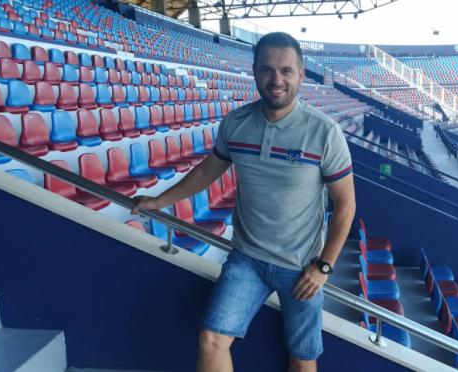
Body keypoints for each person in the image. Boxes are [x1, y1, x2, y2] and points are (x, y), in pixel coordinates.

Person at [131, 32, 356, 372]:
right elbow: (208, 171)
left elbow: (345, 205)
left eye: (286, 70)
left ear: (301, 73)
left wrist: (323, 266)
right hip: (247, 260)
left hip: (301, 267)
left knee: (302, 356)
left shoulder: (324, 133)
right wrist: (160, 200)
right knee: (210, 340)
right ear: (254, 71)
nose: (276, 80)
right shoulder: (236, 124)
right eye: (266, 70)